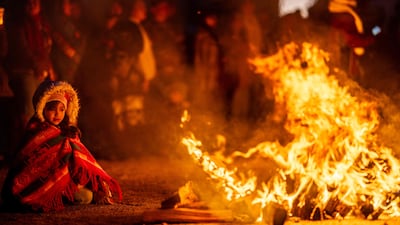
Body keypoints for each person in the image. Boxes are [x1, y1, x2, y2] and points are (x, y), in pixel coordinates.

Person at [1, 80, 123, 212]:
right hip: (41, 186)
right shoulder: (35, 130)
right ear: (42, 108)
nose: (57, 114)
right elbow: (26, 162)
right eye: (51, 109)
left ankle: (82, 190)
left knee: (86, 194)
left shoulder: (66, 131)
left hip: (65, 180)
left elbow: (78, 162)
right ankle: (59, 194)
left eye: (61, 109)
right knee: (85, 197)